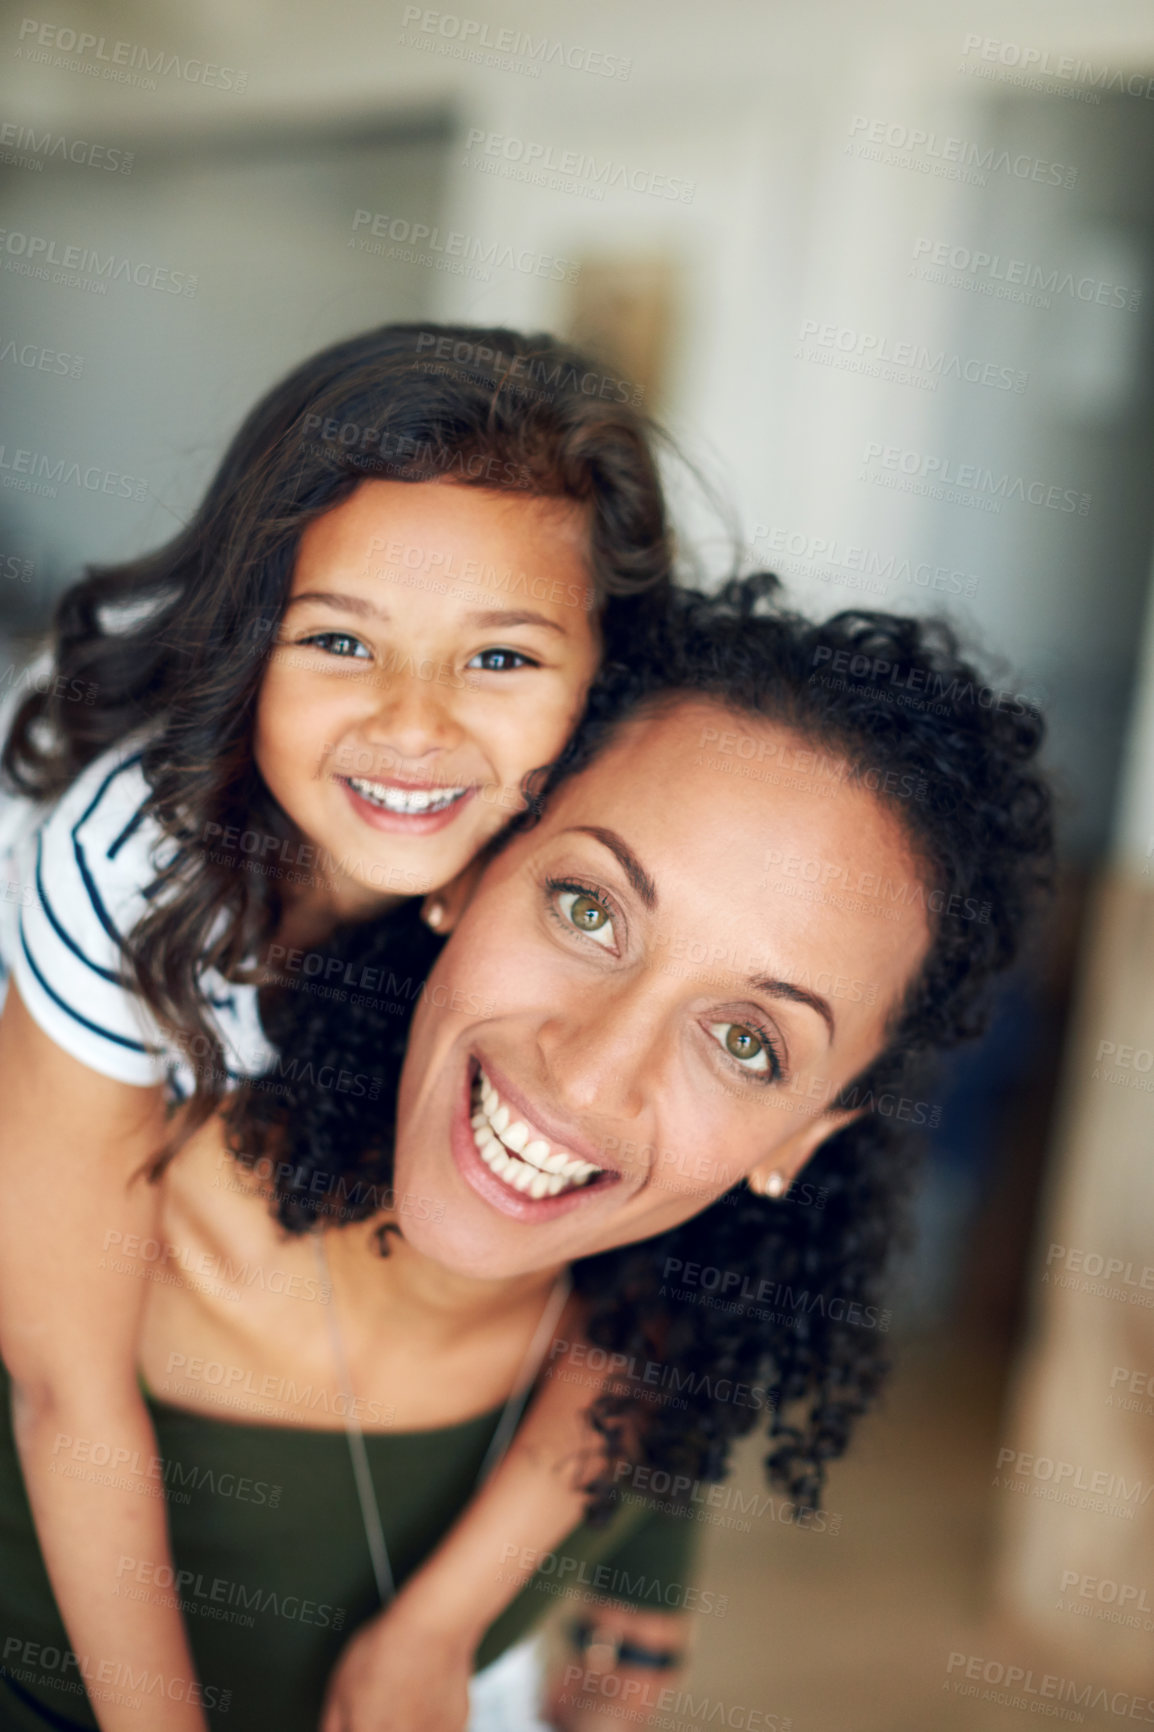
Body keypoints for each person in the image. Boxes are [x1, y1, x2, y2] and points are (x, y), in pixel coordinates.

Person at [0, 575, 1054, 1729]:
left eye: (746, 1042)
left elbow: (664, 1345)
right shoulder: (97, 1227)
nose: (591, 1073)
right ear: (474, 867)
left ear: (802, 1138)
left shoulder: (655, 1297)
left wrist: (635, 1587)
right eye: (588, 909)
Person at [0, 321, 675, 1732]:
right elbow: (68, 1385)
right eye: (338, 640)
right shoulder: (132, 862)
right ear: (248, 641)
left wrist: (637, 1576)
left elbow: (674, 1243)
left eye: (498, 660)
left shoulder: (616, 838)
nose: (411, 726)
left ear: (604, 676)